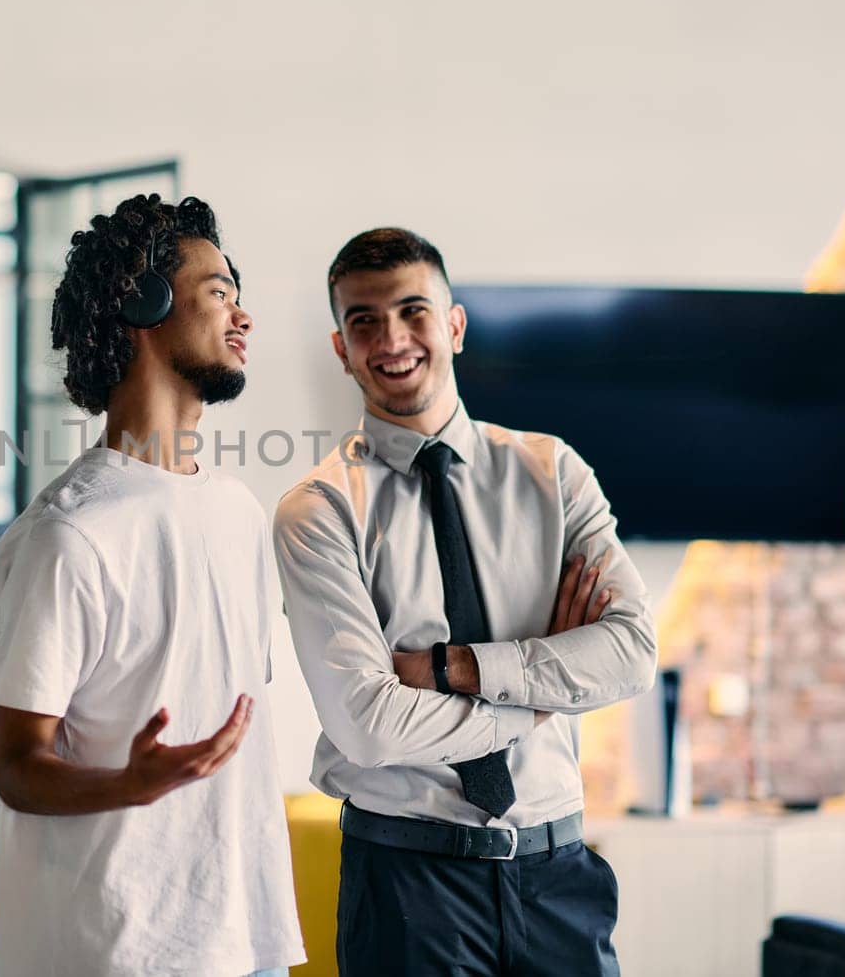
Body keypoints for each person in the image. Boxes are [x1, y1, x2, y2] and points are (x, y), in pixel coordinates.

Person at [273, 228, 657, 976]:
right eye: (364, 321)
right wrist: (545, 689)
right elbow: (371, 725)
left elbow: (632, 651)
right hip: (409, 886)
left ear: (453, 323)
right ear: (340, 347)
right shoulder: (319, 510)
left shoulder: (554, 473)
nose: (391, 338)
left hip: (559, 874)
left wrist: (455, 668)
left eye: (413, 310)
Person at [0, 194, 305, 977]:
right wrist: (130, 782)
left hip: (243, 935)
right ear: (145, 303)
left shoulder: (236, 512)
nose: (244, 317)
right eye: (220, 290)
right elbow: (18, 765)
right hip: (115, 947)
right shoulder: (70, 533)